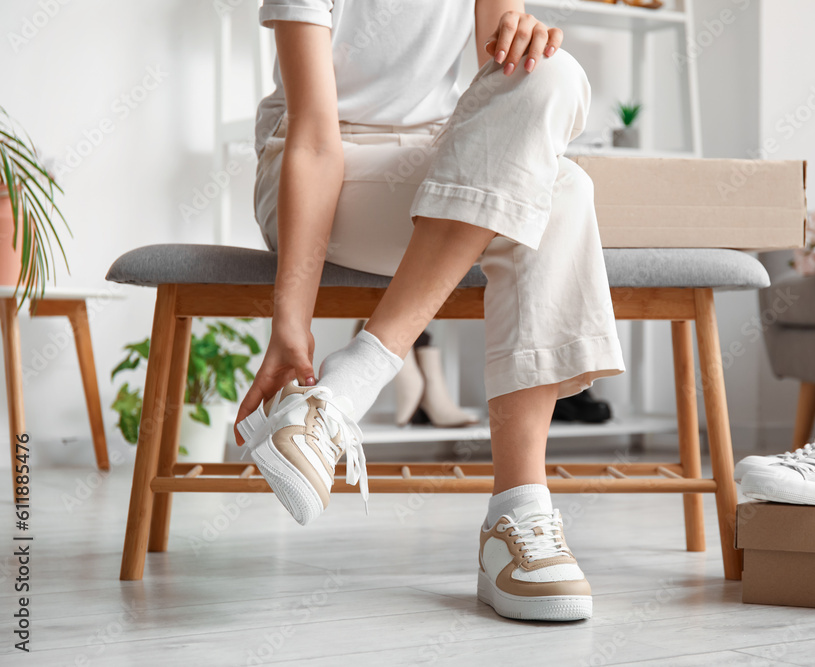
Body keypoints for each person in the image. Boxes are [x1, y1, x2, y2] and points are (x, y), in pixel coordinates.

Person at [235, 0, 625, 622]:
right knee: (563, 192)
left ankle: (351, 391)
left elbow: (505, 101)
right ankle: (514, 516)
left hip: (443, 162)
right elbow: (314, 139)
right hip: (326, 168)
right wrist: (291, 321)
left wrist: (527, 46)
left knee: (554, 79)